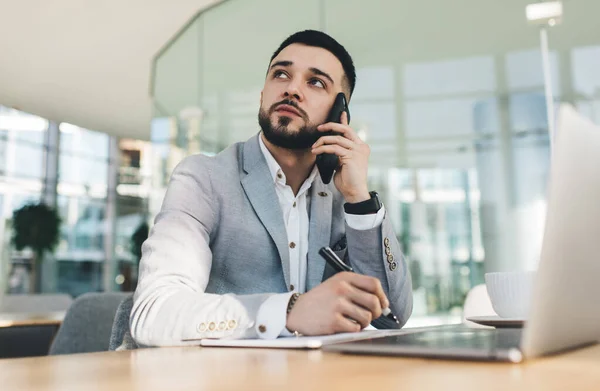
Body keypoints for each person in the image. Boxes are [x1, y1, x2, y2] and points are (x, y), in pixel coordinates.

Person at [130, 30, 412, 346]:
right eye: (281, 74)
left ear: (340, 115)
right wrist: (288, 311)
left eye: (315, 82)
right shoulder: (204, 178)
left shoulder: (343, 193)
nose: (292, 89)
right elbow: (153, 313)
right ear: (263, 93)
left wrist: (359, 201)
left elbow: (393, 316)